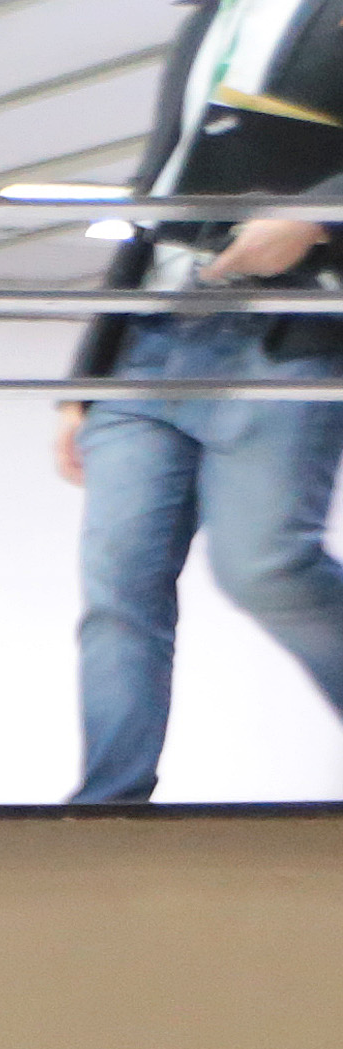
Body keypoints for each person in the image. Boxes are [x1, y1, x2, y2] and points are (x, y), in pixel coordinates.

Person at [60, 0, 343, 805]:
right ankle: (106, 805)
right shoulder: (207, 20)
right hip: (151, 336)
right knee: (119, 586)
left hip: (285, 332)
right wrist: (89, 374)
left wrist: (320, 214)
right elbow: (157, 181)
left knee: (266, 567)